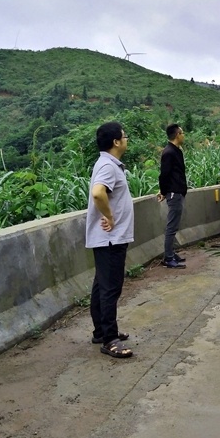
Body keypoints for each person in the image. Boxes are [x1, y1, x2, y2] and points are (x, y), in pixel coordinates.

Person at [86, 121, 134, 358]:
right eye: (124, 136)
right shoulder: (107, 166)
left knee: (101, 286)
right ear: (116, 142)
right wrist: (110, 217)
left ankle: (100, 331)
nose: (126, 139)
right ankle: (110, 339)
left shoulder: (108, 164)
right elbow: (98, 193)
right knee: (110, 289)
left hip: (107, 239)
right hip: (110, 239)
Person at [157, 123, 187, 269]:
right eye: (182, 133)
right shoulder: (169, 152)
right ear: (177, 135)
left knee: (174, 225)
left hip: (178, 191)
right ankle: (168, 257)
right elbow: (164, 175)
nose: (183, 135)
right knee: (171, 226)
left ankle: (171, 253)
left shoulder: (176, 151)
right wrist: (163, 192)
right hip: (174, 193)